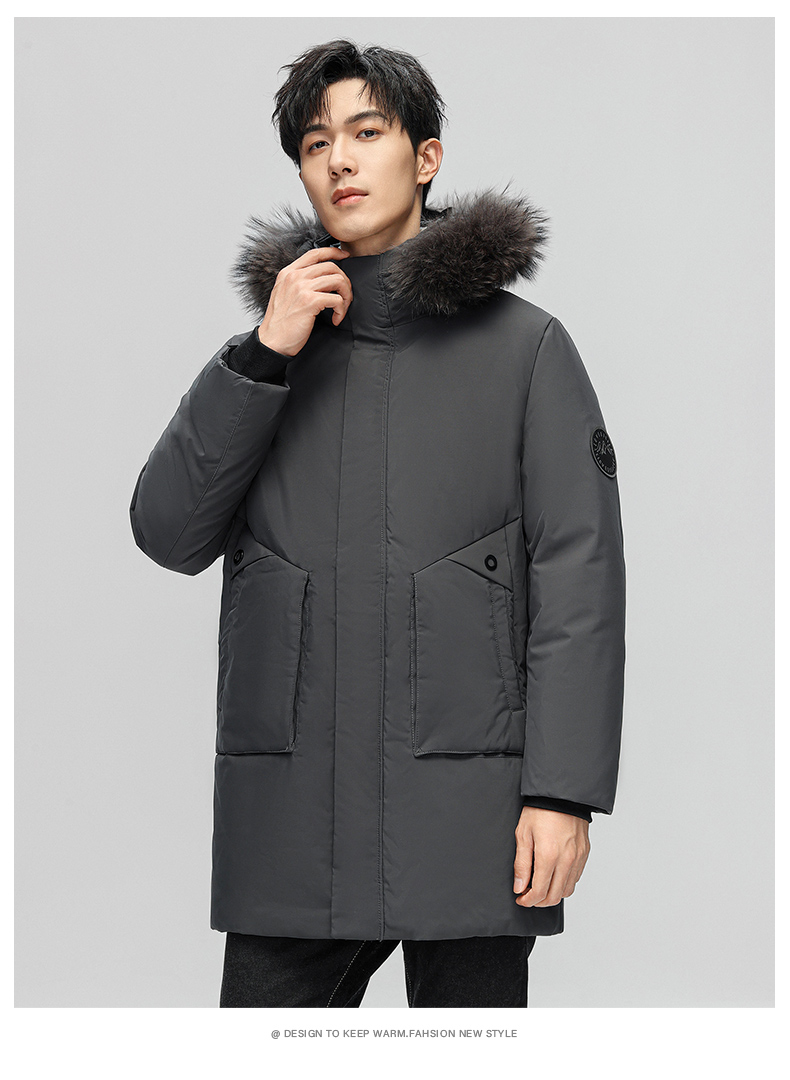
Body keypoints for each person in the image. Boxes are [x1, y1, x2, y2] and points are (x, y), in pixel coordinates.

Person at [129, 39, 626, 1009]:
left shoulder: (524, 350)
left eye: (366, 132)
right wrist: (262, 354)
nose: (340, 161)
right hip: (292, 828)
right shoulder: (269, 359)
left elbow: (579, 578)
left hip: (469, 820)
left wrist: (561, 793)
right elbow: (168, 531)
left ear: (425, 157)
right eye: (316, 143)